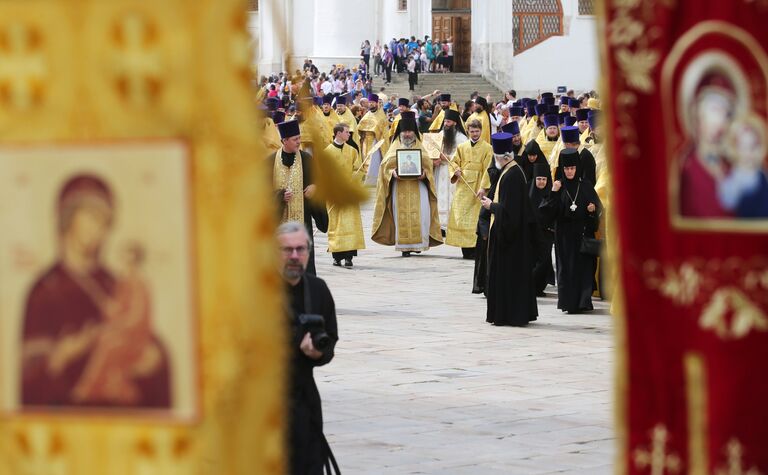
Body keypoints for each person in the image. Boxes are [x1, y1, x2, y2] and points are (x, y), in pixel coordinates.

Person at [21, 175, 171, 408]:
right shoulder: (44, 290)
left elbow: (142, 331)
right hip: (65, 422)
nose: (99, 228)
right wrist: (59, 356)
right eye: (91, 216)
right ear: (68, 217)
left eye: (105, 221)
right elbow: (27, 374)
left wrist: (156, 359)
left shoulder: (115, 283)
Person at [278, 222, 340, 475]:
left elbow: (330, 340)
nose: (295, 256)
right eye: (287, 250)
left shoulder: (318, 290)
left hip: (304, 401)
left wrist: (318, 353)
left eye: (301, 249)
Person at [480, 133, 538, 326]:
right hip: (512, 235)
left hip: (511, 238)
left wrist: (491, 206)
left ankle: (509, 314)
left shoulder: (512, 175)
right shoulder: (510, 171)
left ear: (502, 157)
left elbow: (510, 212)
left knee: (508, 276)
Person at [539, 149, 602, 313]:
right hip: (564, 235)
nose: (569, 172)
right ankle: (568, 303)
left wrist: (591, 210)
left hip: (582, 233)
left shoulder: (586, 185)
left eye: (572, 168)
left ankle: (584, 301)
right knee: (567, 269)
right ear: (562, 169)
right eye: (566, 169)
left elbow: (597, 210)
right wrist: (553, 192)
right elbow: (546, 214)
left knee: (585, 269)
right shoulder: (558, 186)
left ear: (577, 168)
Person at [372, 114, 443, 256]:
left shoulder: (420, 146)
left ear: (414, 132)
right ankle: (404, 247)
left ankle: (418, 245)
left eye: (410, 131)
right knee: (401, 216)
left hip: (419, 186)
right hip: (399, 188)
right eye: (405, 131)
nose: (407, 134)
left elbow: (428, 165)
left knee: (421, 214)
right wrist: (392, 173)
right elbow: (384, 167)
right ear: (400, 132)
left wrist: (425, 174)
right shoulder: (394, 147)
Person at [271, 119, 328, 276]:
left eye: (299, 138)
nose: (299, 142)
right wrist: (279, 197)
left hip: (303, 223)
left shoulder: (307, 160)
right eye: (295, 139)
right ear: (284, 140)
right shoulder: (269, 162)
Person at [446, 119, 493, 259]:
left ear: (481, 131)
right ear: (468, 131)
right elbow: (453, 162)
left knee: (475, 219)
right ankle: (464, 249)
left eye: (477, 131)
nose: (474, 134)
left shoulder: (487, 148)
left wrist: (484, 187)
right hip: (463, 184)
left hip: (478, 185)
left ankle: (476, 249)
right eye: (472, 131)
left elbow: (488, 169)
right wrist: (456, 170)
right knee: (461, 216)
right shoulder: (462, 146)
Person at [324, 123, 365, 267]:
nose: (349, 134)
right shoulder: (327, 152)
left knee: (350, 225)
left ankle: (349, 257)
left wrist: (355, 177)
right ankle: (337, 256)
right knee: (336, 225)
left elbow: (359, 168)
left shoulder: (353, 150)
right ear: (338, 133)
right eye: (347, 132)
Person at [435, 109, 469, 233]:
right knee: (440, 196)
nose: (445, 124)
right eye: (445, 121)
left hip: (453, 172)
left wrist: (448, 158)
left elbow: (464, 156)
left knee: (452, 196)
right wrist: (435, 159)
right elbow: (433, 149)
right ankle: (441, 225)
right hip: (440, 170)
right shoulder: (440, 134)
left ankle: (452, 224)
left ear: (455, 123)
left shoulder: (462, 138)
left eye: (448, 121)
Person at [529, 163, 555, 296]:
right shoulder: (529, 195)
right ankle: (530, 287)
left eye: (544, 179)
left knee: (544, 262)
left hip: (546, 235)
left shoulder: (551, 195)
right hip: (531, 235)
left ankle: (539, 287)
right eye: (539, 179)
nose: (541, 182)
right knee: (532, 261)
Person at [357, 93, 390, 184]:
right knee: (364, 159)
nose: (371, 104)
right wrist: (361, 134)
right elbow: (359, 127)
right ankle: (366, 179)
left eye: (372, 102)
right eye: (370, 102)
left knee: (373, 161)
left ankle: (374, 180)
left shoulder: (381, 116)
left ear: (376, 103)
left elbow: (384, 132)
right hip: (365, 141)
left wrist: (377, 137)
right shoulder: (367, 115)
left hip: (375, 142)